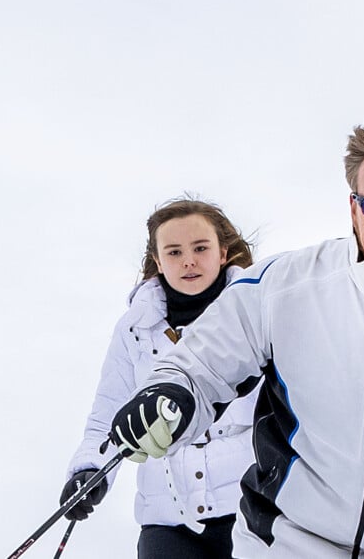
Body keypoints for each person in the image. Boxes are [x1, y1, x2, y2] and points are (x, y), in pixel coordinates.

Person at [110, 118, 364, 559]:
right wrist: (168, 393)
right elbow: (199, 365)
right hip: (286, 546)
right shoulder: (286, 287)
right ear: (353, 207)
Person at [60, 197, 257, 558]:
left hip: (250, 512)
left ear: (223, 252)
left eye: (200, 248)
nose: (189, 261)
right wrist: (90, 470)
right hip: (168, 520)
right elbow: (109, 409)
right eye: (174, 251)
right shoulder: (134, 329)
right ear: (157, 262)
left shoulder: (257, 313)